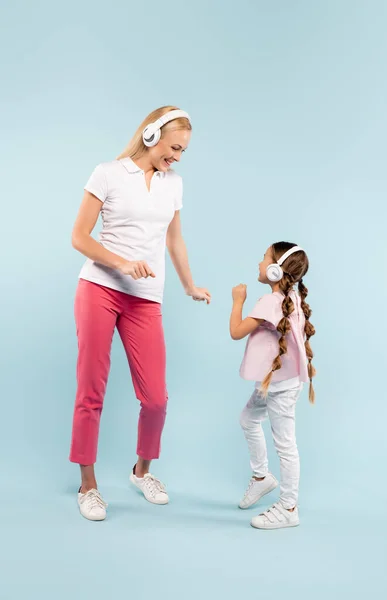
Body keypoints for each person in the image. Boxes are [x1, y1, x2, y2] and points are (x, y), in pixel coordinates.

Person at [69, 106, 211, 521]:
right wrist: (121, 262)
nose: (178, 157)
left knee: (155, 399)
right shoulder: (108, 173)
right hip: (99, 288)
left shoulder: (174, 184)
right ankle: (88, 485)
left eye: (183, 151)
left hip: (146, 298)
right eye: (174, 148)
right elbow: (79, 237)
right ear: (151, 135)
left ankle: (141, 471)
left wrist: (188, 285)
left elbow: (175, 241)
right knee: (91, 390)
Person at [230, 242, 315, 529]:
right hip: (276, 384)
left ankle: (289, 506)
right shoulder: (293, 298)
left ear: (276, 269)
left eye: (264, 258)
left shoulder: (268, 303)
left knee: (285, 445)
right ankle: (261, 478)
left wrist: (238, 299)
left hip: (279, 389)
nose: (259, 262)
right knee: (248, 419)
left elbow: (235, 332)